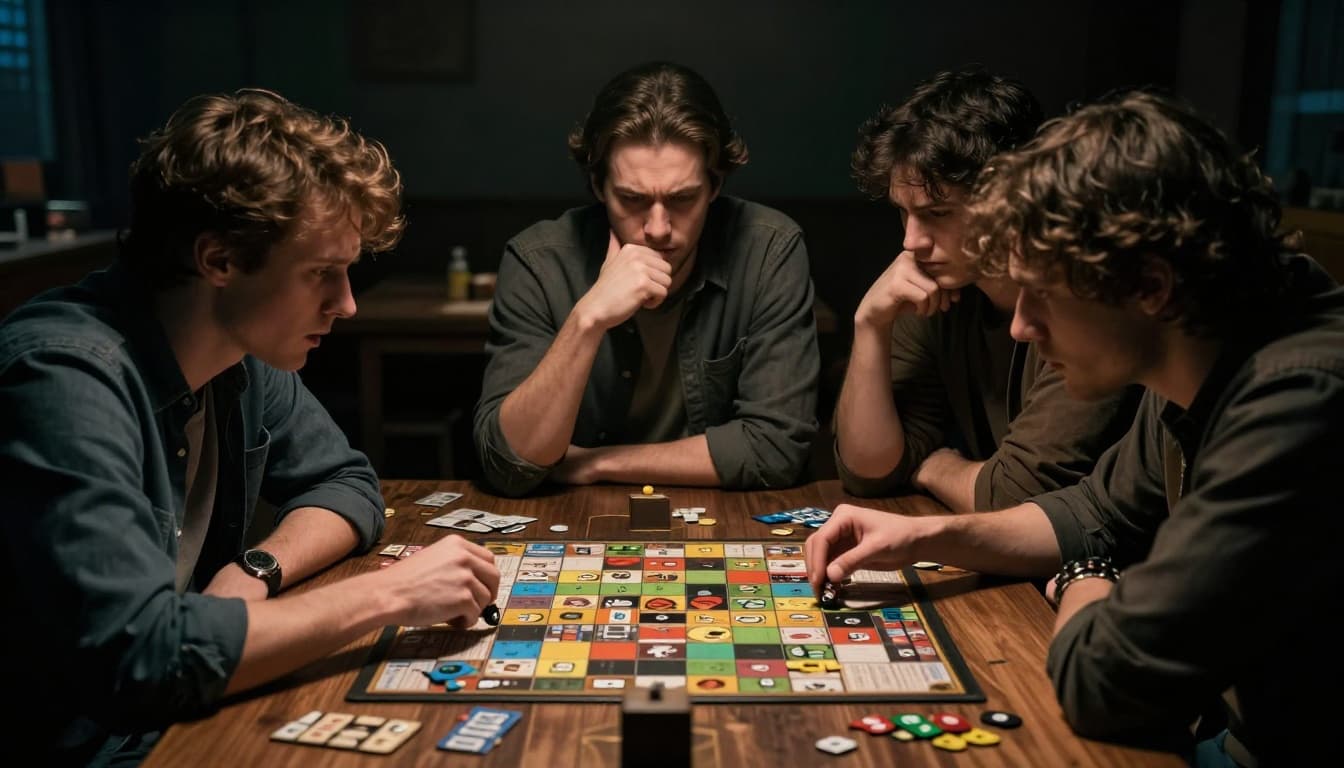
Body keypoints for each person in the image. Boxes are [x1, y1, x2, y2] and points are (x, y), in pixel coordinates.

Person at [806, 89, 1344, 766]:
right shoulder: (1198, 346)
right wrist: (924, 537)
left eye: (1043, 295)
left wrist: (1085, 575)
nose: (1020, 325)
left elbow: (1104, 680)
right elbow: (1092, 510)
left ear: (1148, 287)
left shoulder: (1298, 400)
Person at [0, 89, 500, 766]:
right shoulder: (63, 379)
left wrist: (256, 568)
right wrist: (392, 593)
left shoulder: (239, 352)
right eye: (322, 273)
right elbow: (142, 657)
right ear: (221, 261)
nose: (347, 303)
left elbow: (346, 482)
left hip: (183, 711)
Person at [473, 61, 819, 496]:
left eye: (683, 198)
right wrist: (588, 320)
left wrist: (597, 464)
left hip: (718, 519)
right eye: (633, 199)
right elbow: (508, 462)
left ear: (715, 186)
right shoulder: (538, 261)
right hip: (573, 523)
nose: (657, 228)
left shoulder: (769, 249)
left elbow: (776, 450)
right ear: (599, 186)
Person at [835, 68, 1140, 512]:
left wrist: (934, 466)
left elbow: (1016, 495)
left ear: (1010, 200)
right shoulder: (935, 284)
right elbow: (869, 471)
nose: (911, 241)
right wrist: (870, 325)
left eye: (938, 212)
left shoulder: (1083, 302)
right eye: (903, 212)